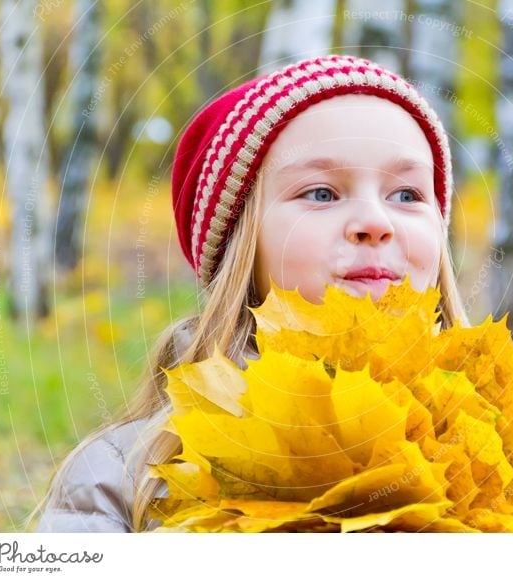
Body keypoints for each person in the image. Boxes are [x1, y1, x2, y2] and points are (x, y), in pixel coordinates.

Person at [33, 54, 469, 532]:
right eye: (322, 193)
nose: (375, 223)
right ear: (241, 244)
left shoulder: (507, 452)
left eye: (407, 195)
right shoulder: (124, 480)